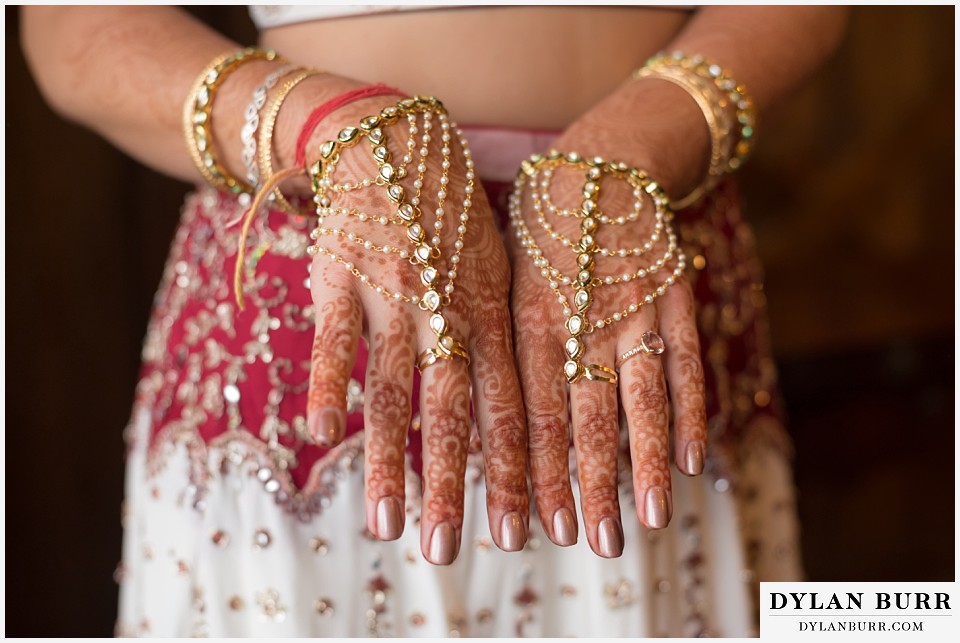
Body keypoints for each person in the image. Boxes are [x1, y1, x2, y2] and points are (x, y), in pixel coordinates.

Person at [21, 4, 847, 637]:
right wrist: (320, 127)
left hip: (635, 282)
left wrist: (645, 140)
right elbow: (71, 24)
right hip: (315, 307)